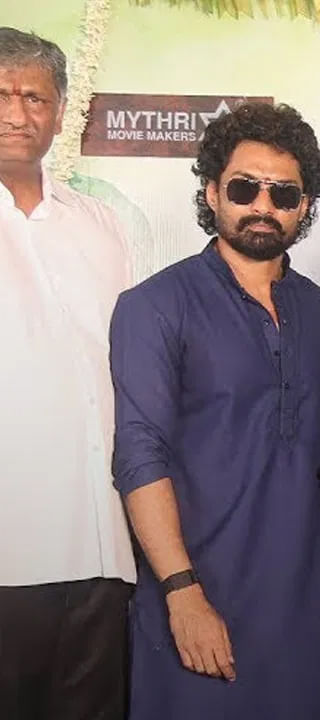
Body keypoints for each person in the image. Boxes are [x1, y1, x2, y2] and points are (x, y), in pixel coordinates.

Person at [110, 101, 320, 720]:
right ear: (212, 192)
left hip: (307, 602)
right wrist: (180, 590)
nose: (263, 206)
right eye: (246, 188)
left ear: (304, 206)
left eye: (284, 193)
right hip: (201, 594)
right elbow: (139, 454)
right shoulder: (154, 305)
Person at [0, 26, 135, 720]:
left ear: (59, 114)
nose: (17, 113)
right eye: (1, 95)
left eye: (35, 97)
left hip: (102, 544)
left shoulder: (102, 223)